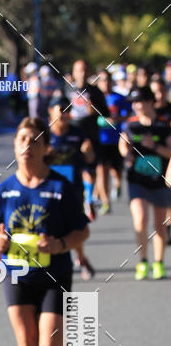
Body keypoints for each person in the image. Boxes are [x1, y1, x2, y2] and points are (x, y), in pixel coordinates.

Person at [0, 117, 90, 346]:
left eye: (34, 141)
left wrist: (58, 245)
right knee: (26, 340)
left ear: (46, 148)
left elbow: (81, 232)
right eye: (21, 140)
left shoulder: (61, 187)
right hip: (17, 274)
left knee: (48, 343)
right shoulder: (4, 190)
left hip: (54, 274)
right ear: (14, 145)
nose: (26, 146)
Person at [119, 86, 171, 280]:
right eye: (134, 102)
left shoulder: (163, 126)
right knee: (140, 219)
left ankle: (158, 262)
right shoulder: (131, 125)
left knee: (159, 224)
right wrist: (127, 155)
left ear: (150, 102)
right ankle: (143, 261)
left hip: (158, 180)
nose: (136, 106)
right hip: (137, 180)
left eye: (140, 101)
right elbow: (123, 145)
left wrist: (154, 146)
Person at [48, 93, 95, 279]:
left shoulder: (77, 133)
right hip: (49, 188)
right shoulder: (44, 135)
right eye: (61, 110)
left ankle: (81, 258)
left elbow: (89, 162)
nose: (64, 114)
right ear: (50, 112)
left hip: (73, 188)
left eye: (67, 110)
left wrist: (88, 152)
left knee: (75, 227)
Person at [68, 59, 109, 220]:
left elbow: (106, 113)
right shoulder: (67, 89)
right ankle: (77, 199)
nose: (82, 73)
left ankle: (90, 199)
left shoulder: (95, 92)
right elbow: (56, 109)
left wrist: (94, 111)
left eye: (85, 70)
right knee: (74, 170)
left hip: (91, 136)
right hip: (71, 136)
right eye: (79, 70)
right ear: (73, 73)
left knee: (90, 169)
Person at [94, 69, 131, 209]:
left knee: (116, 170)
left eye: (108, 80)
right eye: (102, 80)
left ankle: (118, 183)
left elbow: (128, 114)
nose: (106, 83)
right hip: (100, 140)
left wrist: (117, 119)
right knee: (101, 170)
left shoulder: (119, 97)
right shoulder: (94, 98)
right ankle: (105, 201)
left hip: (116, 139)